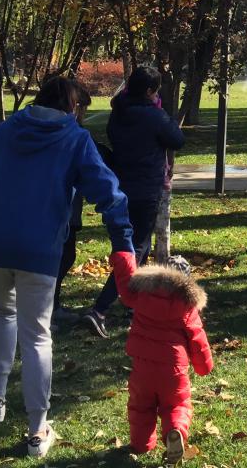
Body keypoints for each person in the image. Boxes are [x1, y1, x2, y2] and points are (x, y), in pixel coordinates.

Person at [0, 77, 133, 460]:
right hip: (39, 250)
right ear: (72, 107)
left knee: (2, 313)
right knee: (37, 336)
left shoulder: (4, 132)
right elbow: (109, 195)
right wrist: (123, 242)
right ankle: (36, 428)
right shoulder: (75, 139)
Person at [81, 65, 185, 339]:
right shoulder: (154, 115)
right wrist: (165, 116)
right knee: (135, 248)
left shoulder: (119, 112)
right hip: (146, 187)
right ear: (150, 91)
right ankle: (100, 308)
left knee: (139, 244)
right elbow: (177, 139)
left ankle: (135, 302)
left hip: (121, 184)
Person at [110, 251, 213, 463]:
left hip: (142, 368)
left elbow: (125, 286)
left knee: (140, 406)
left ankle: (140, 444)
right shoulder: (187, 305)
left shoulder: (142, 295)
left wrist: (123, 257)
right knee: (177, 404)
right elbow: (197, 337)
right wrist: (204, 366)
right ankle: (175, 431)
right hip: (173, 368)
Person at [51, 88, 102, 330]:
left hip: (69, 208)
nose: (83, 113)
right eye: (82, 108)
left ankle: (52, 304)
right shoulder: (72, 135)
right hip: (60, 209)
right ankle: (47, 309)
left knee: (66, 255)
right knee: (60, 258)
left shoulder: (77, 134)